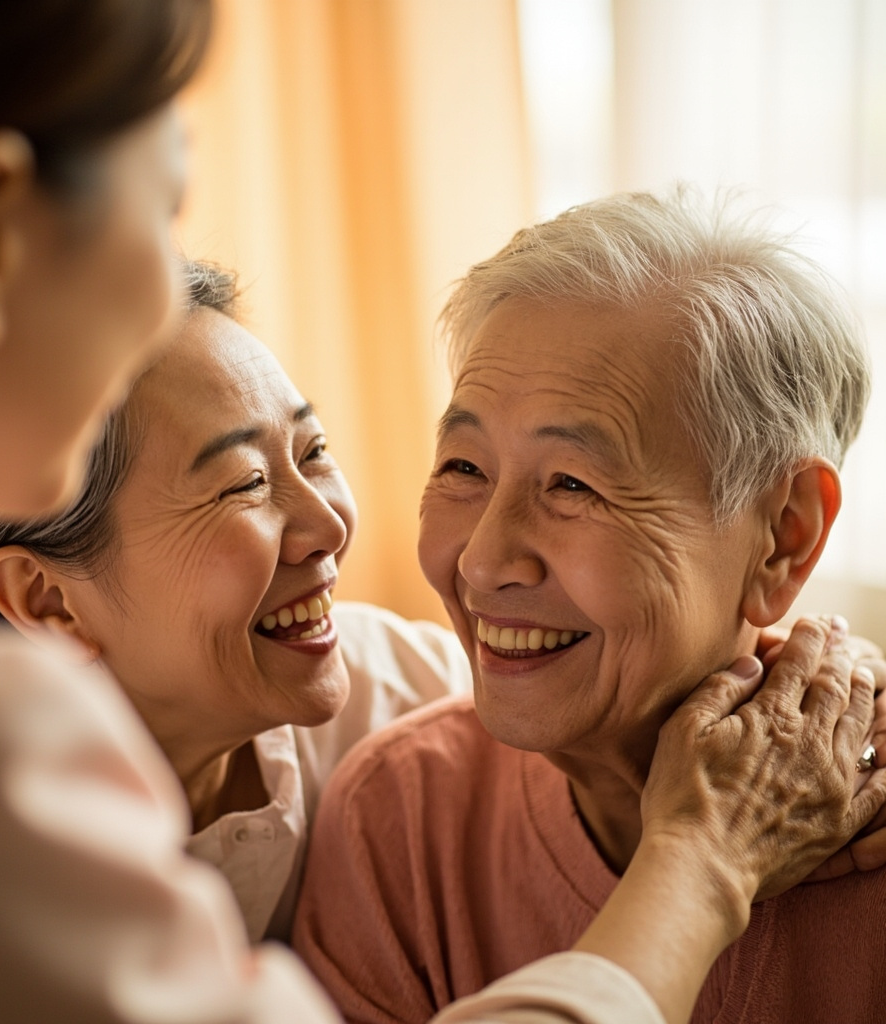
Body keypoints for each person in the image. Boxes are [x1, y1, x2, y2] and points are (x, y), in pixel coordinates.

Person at [0, 0, 881, 1016]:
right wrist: (704, 858)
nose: (480, 562)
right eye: (164, 208)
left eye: (313, 450)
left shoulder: (395, 694)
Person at [291, 189, 886, 1024]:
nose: (483, 559)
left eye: (573, 485)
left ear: (784, 536)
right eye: (463, 468)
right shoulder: (400, 822)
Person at [0, 259, 473, 943]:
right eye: (244, 483)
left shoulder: (415, 698)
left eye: (313, 451)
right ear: (48, 603)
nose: (329, 528)